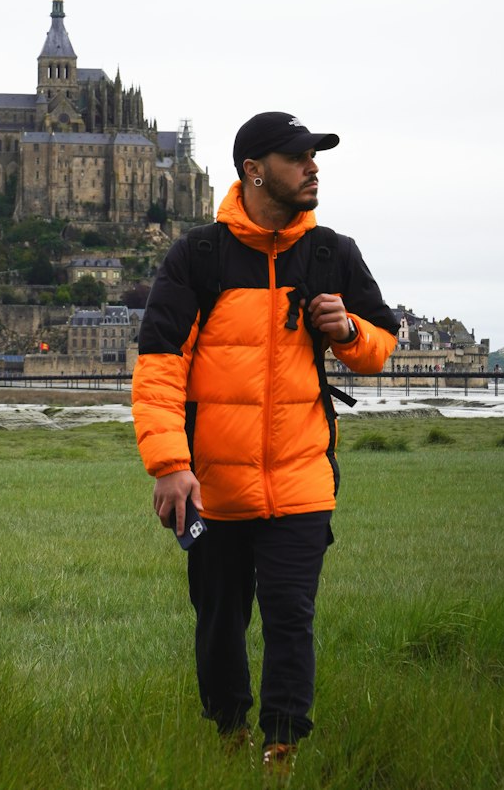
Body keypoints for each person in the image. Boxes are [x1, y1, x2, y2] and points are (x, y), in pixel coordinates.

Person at [132, 111, 398, 777]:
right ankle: (228, 734)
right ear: (254, 170)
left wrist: (348, 333)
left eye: (315, 156)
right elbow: (160, 365)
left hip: (302, 482)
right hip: (213, 491)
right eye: (297, 157)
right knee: (219, 625)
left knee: (290, 622)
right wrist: (169, 465)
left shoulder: (332, 253)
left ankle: (281, 751)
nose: (313, 168)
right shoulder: (198, 257)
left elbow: (379, 348)